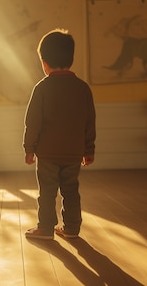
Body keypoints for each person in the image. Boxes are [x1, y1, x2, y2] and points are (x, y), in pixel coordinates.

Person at [23, 29, 96, 240]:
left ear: (44, 62)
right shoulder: (82, 89)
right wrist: (88, 150)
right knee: (71, 190)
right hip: (73, 153)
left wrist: (29, 149)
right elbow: (89, 122)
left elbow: (32, 122)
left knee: (47, 191)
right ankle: (72, 228)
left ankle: (45, 228)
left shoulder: (42, 88)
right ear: (71, 59)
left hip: (47, 153)